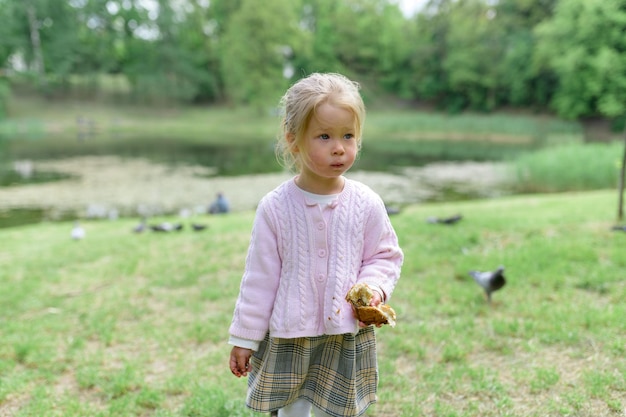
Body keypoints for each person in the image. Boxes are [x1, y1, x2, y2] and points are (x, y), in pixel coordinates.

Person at [228, 72, 403, 417]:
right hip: (289, 336)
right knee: (294, 410)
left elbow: (384, 255)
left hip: (344, 334)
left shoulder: (366, 203)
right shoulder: (275, 207)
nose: (339, 147)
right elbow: (259, 280)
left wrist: (374, 288)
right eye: (324, 136)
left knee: (336, 411)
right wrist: (245, 338)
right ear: (294, 141)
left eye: (348, 136)